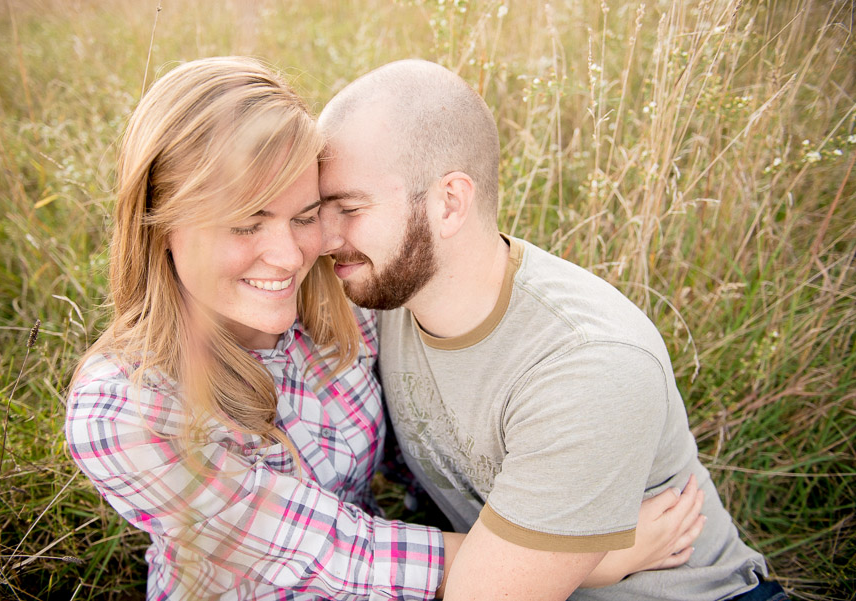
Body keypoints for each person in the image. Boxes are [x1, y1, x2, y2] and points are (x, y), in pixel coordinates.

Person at [65, 56, 703, 600]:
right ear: (160, 227)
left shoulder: (346, 317)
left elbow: (422, 452)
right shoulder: (124, 407)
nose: (291, 256)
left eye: (308, 214)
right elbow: (335, 551)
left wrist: (548, 533)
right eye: (245, 225)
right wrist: (583, 557)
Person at [318, 59, 789, 601]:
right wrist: (595, 562)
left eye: (349, 209)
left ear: (449, 203)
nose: (326, 238)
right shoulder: (386, 292)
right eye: (320, 210)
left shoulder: (588, 366)